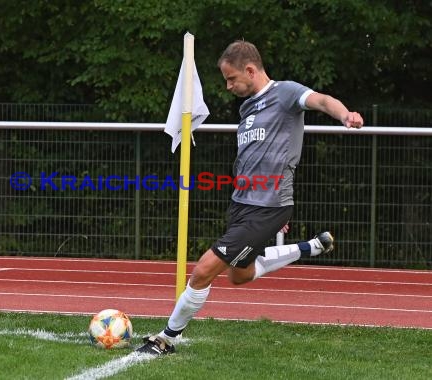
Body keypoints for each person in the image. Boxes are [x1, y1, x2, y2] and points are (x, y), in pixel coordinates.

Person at [137, 40, 364, 355]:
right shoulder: (246, 107)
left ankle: (166, 339)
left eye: (231, 78)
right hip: (243, 204)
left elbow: (322, 100)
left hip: (268, 207)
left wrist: (344, 115)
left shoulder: (284, 93)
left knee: (204, 269)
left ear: (250, 69)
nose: (228, 86)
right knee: (239, 275)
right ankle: (309, 247)